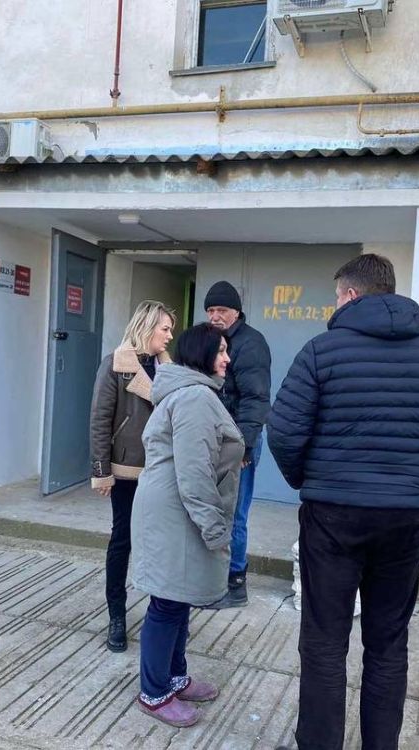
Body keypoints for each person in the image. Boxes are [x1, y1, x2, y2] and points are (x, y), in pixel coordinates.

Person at [267, 254, 419, 750]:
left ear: (350, 294)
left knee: (324, 643)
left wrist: (309, 481)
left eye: (335, 296)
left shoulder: (321, 351)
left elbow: (283, 432)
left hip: (331, 517)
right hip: (404, 519)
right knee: (388, 643)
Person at [130, 323, 245, 727]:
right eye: (221, 351)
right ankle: (154, 693)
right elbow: (195, 474)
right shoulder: (195, 397)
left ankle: (174, 677)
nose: (227, 358)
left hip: (174, 508)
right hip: (175, 511)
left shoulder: (192, 393)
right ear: (202, 354)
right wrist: (216, 530)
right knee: (167, 602)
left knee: (176, 598)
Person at [89, 300, 176, 653]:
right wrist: (102, 471)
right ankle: (117, 617)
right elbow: (99, 419)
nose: (169, 336)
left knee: (159, 543)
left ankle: (161, 616)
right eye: (165, 329)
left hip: (161, 470)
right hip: (127, 470)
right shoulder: (115, 364)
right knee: (122, 540)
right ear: (148, 327)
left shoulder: (169, 370)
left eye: (170, 330)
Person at [203, 280, 271, 609]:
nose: (215, 316)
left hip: (238, 443)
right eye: (210, 310)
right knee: (212, 510)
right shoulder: (208, 339)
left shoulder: (251, 344)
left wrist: (245, 446)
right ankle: (212, 577)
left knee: (235, 514)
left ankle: (235, 582)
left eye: (222, 310)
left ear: (236, 312)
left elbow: (255, 399)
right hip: (211, 439)